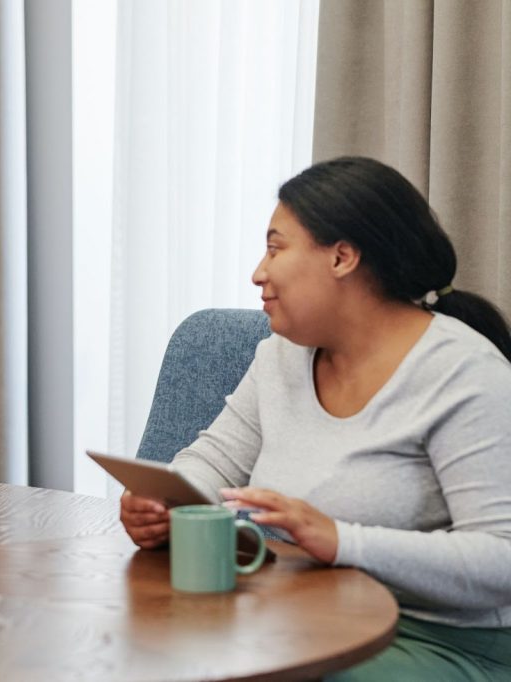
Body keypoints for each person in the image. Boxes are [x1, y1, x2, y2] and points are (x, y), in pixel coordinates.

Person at [120, 157, 511, 680]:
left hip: (440, 638)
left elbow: (501, 560)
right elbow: (214, 458)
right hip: (303, 609)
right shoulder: (283, 355)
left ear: (342, 257)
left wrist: (341, 539)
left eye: (276, 247)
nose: (259, 272)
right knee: (136, 644)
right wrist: (167, 501)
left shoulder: (463, 372)